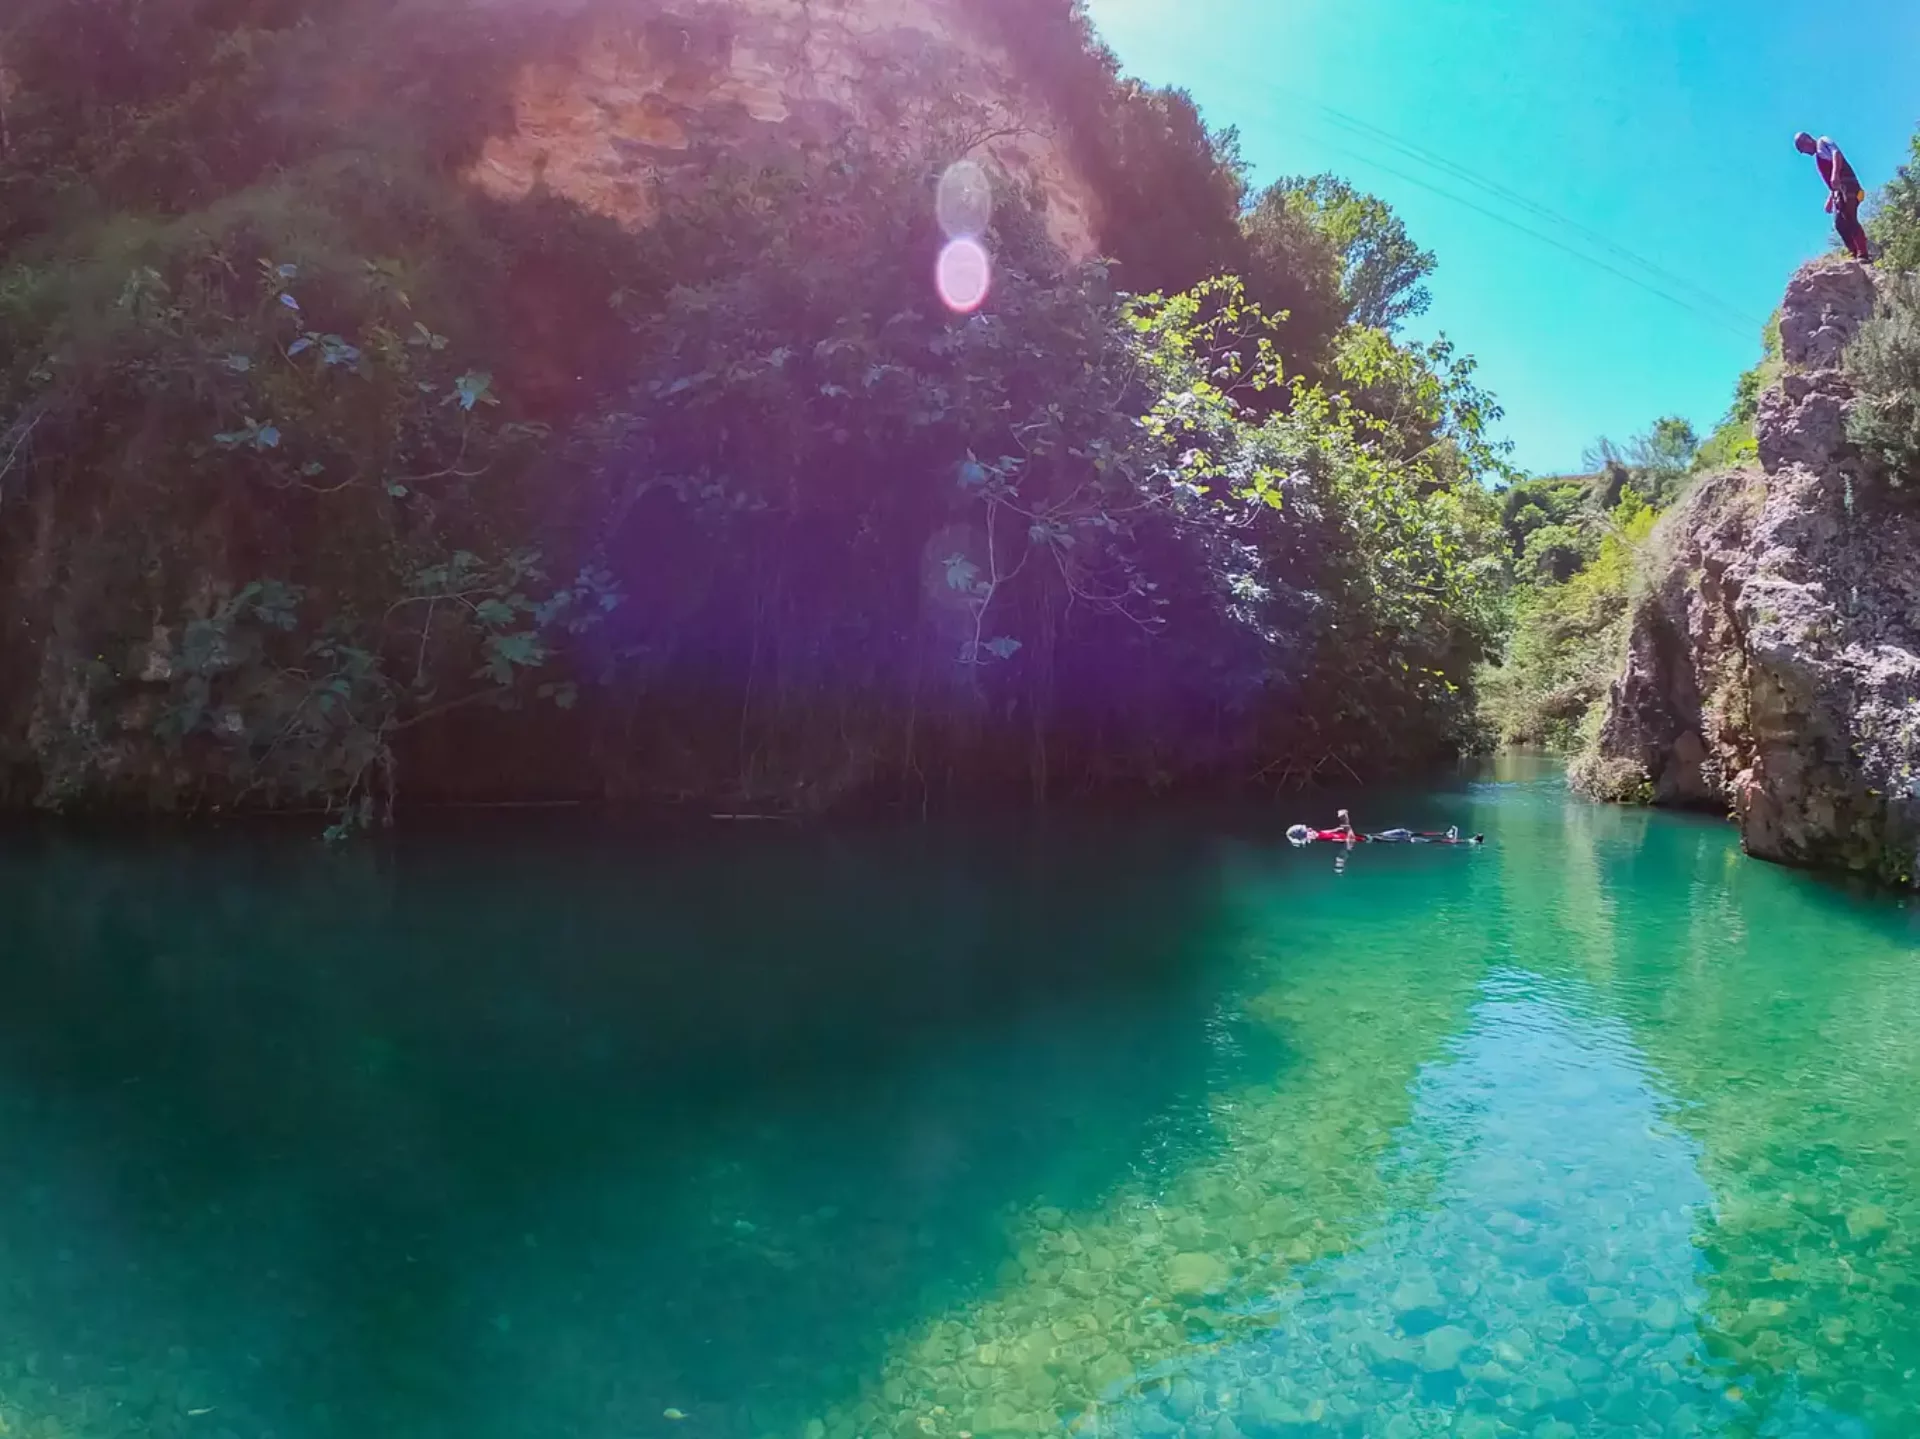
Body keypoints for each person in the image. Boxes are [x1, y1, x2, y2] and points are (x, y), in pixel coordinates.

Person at [1796, 132, 1872, 263]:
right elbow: (1833, 184)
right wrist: (1830, 198)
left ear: (1807, 140)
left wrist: (1835, 174)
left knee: (1849, 216)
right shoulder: (1818, 157)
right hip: (1838, 191)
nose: (1805, 153)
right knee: (1839, 223)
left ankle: (1863, 254)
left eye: (1803, 149)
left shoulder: (1823, 142)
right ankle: (1854, 253)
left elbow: (1836, 154)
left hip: (1848, 184)